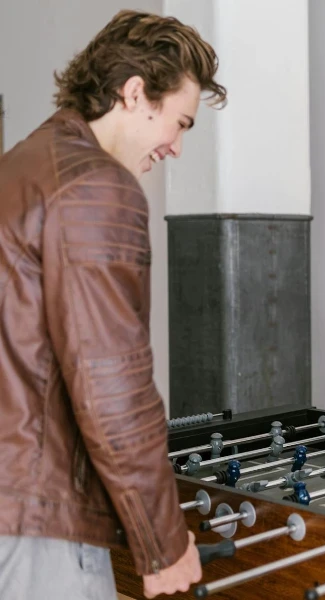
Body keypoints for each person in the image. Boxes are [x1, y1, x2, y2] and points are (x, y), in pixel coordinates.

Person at [0, 10, 227, 599]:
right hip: (37, 520)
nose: (175, 147)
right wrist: (163, 541)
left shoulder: (22, 165)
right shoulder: (95, 185)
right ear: (133, 94)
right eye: (178, 122)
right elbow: (111, 387)